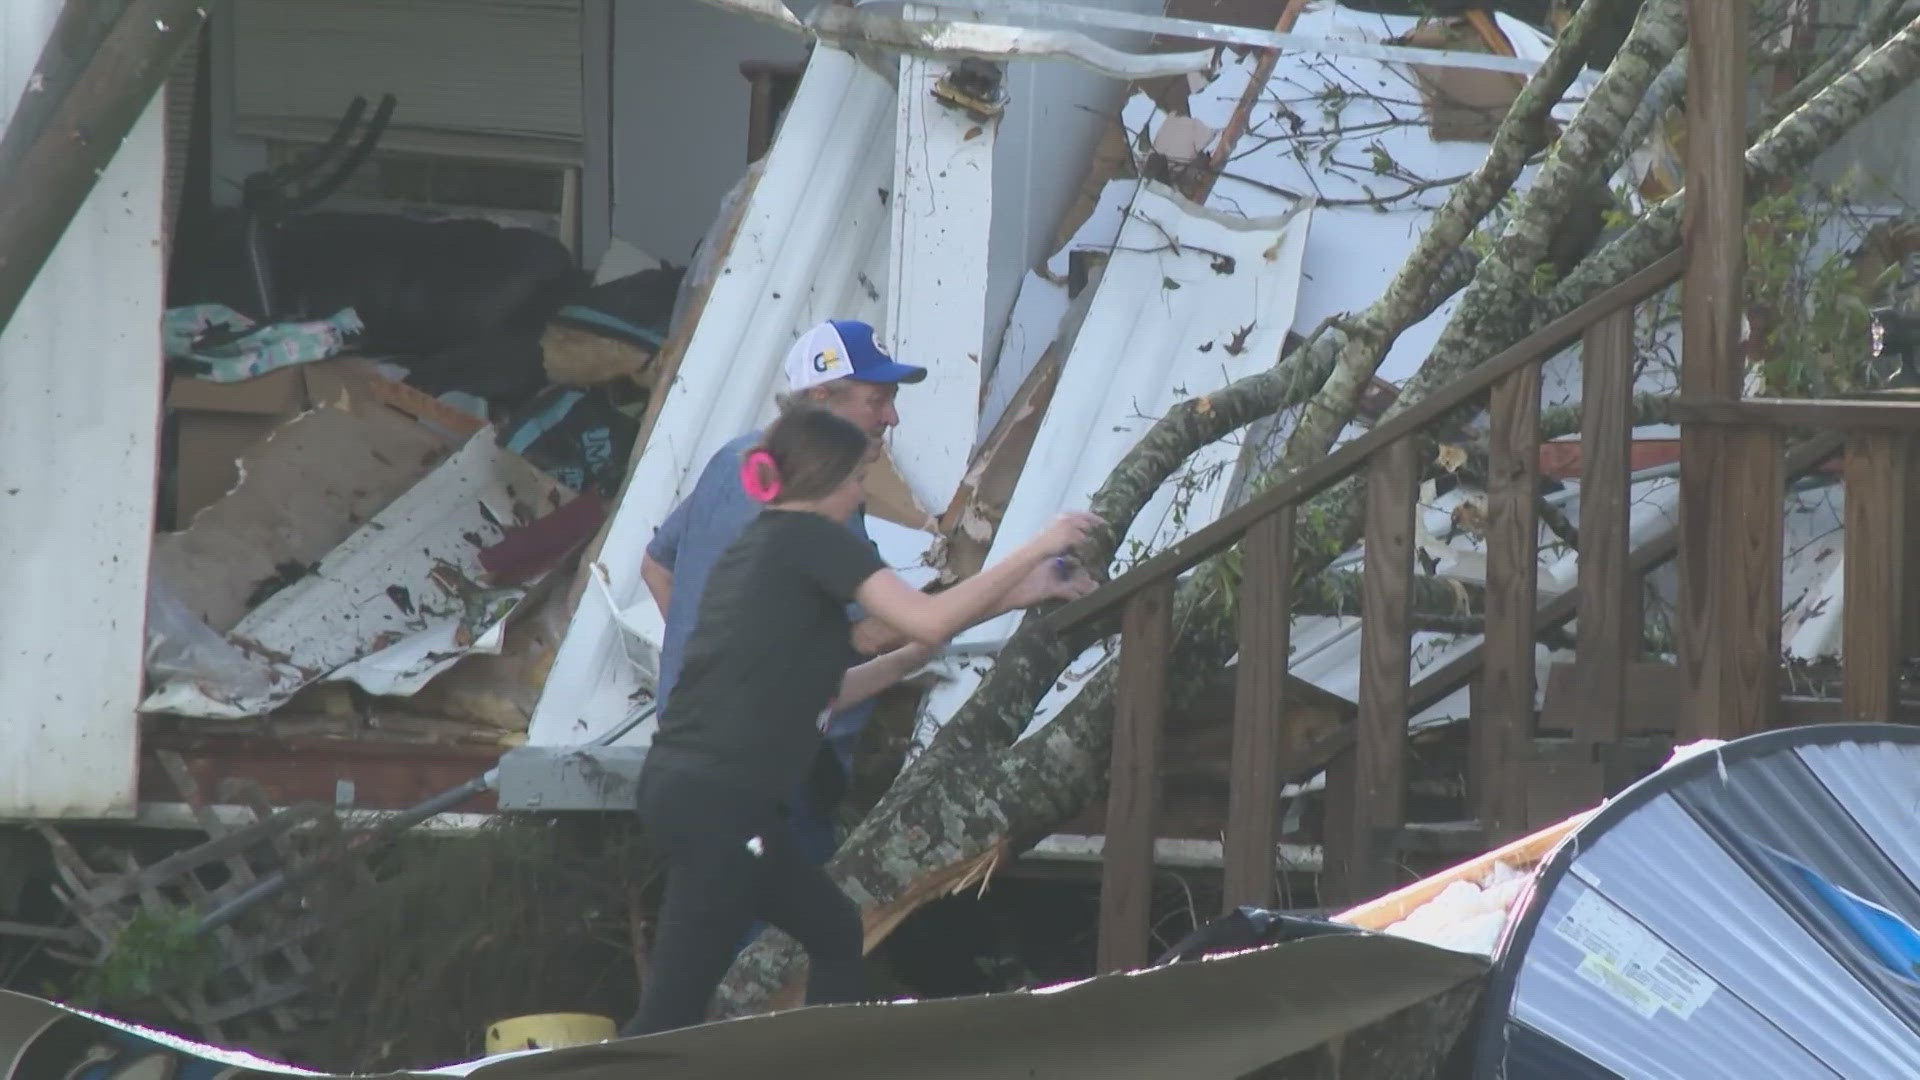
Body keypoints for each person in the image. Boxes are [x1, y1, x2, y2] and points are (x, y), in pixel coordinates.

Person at [624, 404, 1101, 1035]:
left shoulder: (762, 551)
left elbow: (860, 660)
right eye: (856, 479)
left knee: (834, 931)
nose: (859, 494)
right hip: (720, 806)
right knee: (671, 1014)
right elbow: (925, 621)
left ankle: (824, 1062)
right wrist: (1043, 542)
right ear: (826, 479)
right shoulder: (812, 539)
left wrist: (1019, 593)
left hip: (702, 799)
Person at [639, 318, 1093, 860]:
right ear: (822, 396)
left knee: (761, 925)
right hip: (773, 770)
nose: (892, 416)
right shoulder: (822, 507)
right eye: (877, 399)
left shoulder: (736, 459)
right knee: (768, 933)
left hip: (698, 758)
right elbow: (884, 631)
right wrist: (1028, 572)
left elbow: (655, 567)